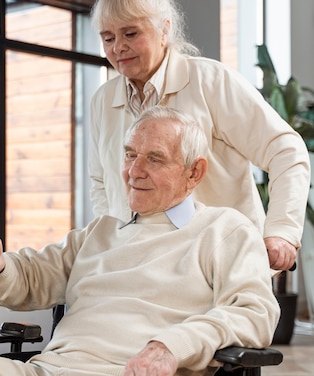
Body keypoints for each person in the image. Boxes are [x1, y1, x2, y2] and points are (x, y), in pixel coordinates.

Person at [0, 106, 280, 376]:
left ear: (194, 173)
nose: (134, 171)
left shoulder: (224, 230)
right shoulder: (101, 232)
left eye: (155, 159)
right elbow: (33, 274)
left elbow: (255, 312)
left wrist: (169, 345)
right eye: (130, 154)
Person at [88, 0, 310, 272]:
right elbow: (101, 182)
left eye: (131, 34)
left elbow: (285, 150)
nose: (117, 47)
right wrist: (113, 242)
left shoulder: (211, 81)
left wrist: (282, 231)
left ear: (164, 30)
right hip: (143, 270)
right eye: (107, 38)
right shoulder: (102, 100)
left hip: (223, 265)